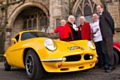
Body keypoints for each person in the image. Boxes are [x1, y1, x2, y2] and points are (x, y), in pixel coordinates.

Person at [96, 5, 115, 72]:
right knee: (106, 50)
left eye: (99, 8)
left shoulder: (105, 13)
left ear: (102, 8)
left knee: (109, 50)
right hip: (103, 36)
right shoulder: (100, 16)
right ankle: (110, 64)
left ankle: (111, 65)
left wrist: (112, 31)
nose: (98, 9)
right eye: (97, 8)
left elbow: (111, 22)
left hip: (108, 35)